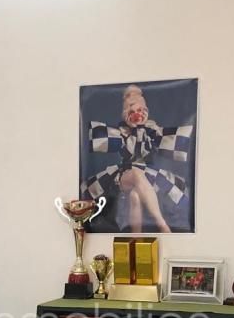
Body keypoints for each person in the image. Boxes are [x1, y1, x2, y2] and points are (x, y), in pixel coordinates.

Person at [83, 84, 193, 234]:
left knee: (135, 195)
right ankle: (161, 223)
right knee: (135, 172)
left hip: (149, 173)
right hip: (125, 173)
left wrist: (146, 130)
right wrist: (130, 130)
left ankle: (136, 236)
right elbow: (112, 143)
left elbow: (166, 143)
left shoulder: (152, 130)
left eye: (140, 110)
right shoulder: (121, 132)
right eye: (132, 111)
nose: (137, 114)